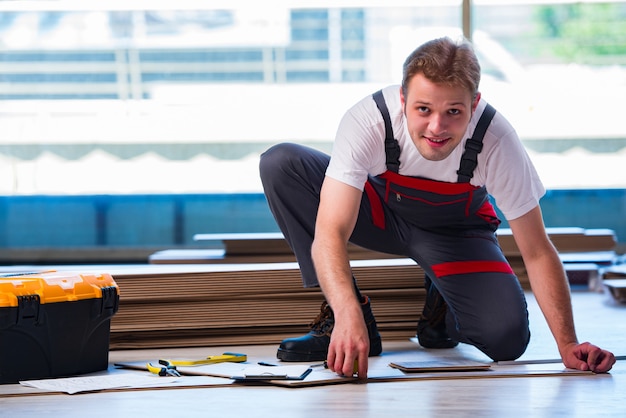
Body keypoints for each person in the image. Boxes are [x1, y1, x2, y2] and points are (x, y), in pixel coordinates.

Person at [259, 36, 616, 379]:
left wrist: (567, 343)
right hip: (381, 215)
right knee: (281, 164)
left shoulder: (497, 140)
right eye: (423, 109)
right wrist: (346, 308)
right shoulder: (369, 120)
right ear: (403, 98)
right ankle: (351, 321)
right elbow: (331, 231)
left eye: (453, 112)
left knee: (506, 341)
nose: (437, 127)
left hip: (454, 235)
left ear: (474, 105)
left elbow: (537, 251)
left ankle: (442, 308)